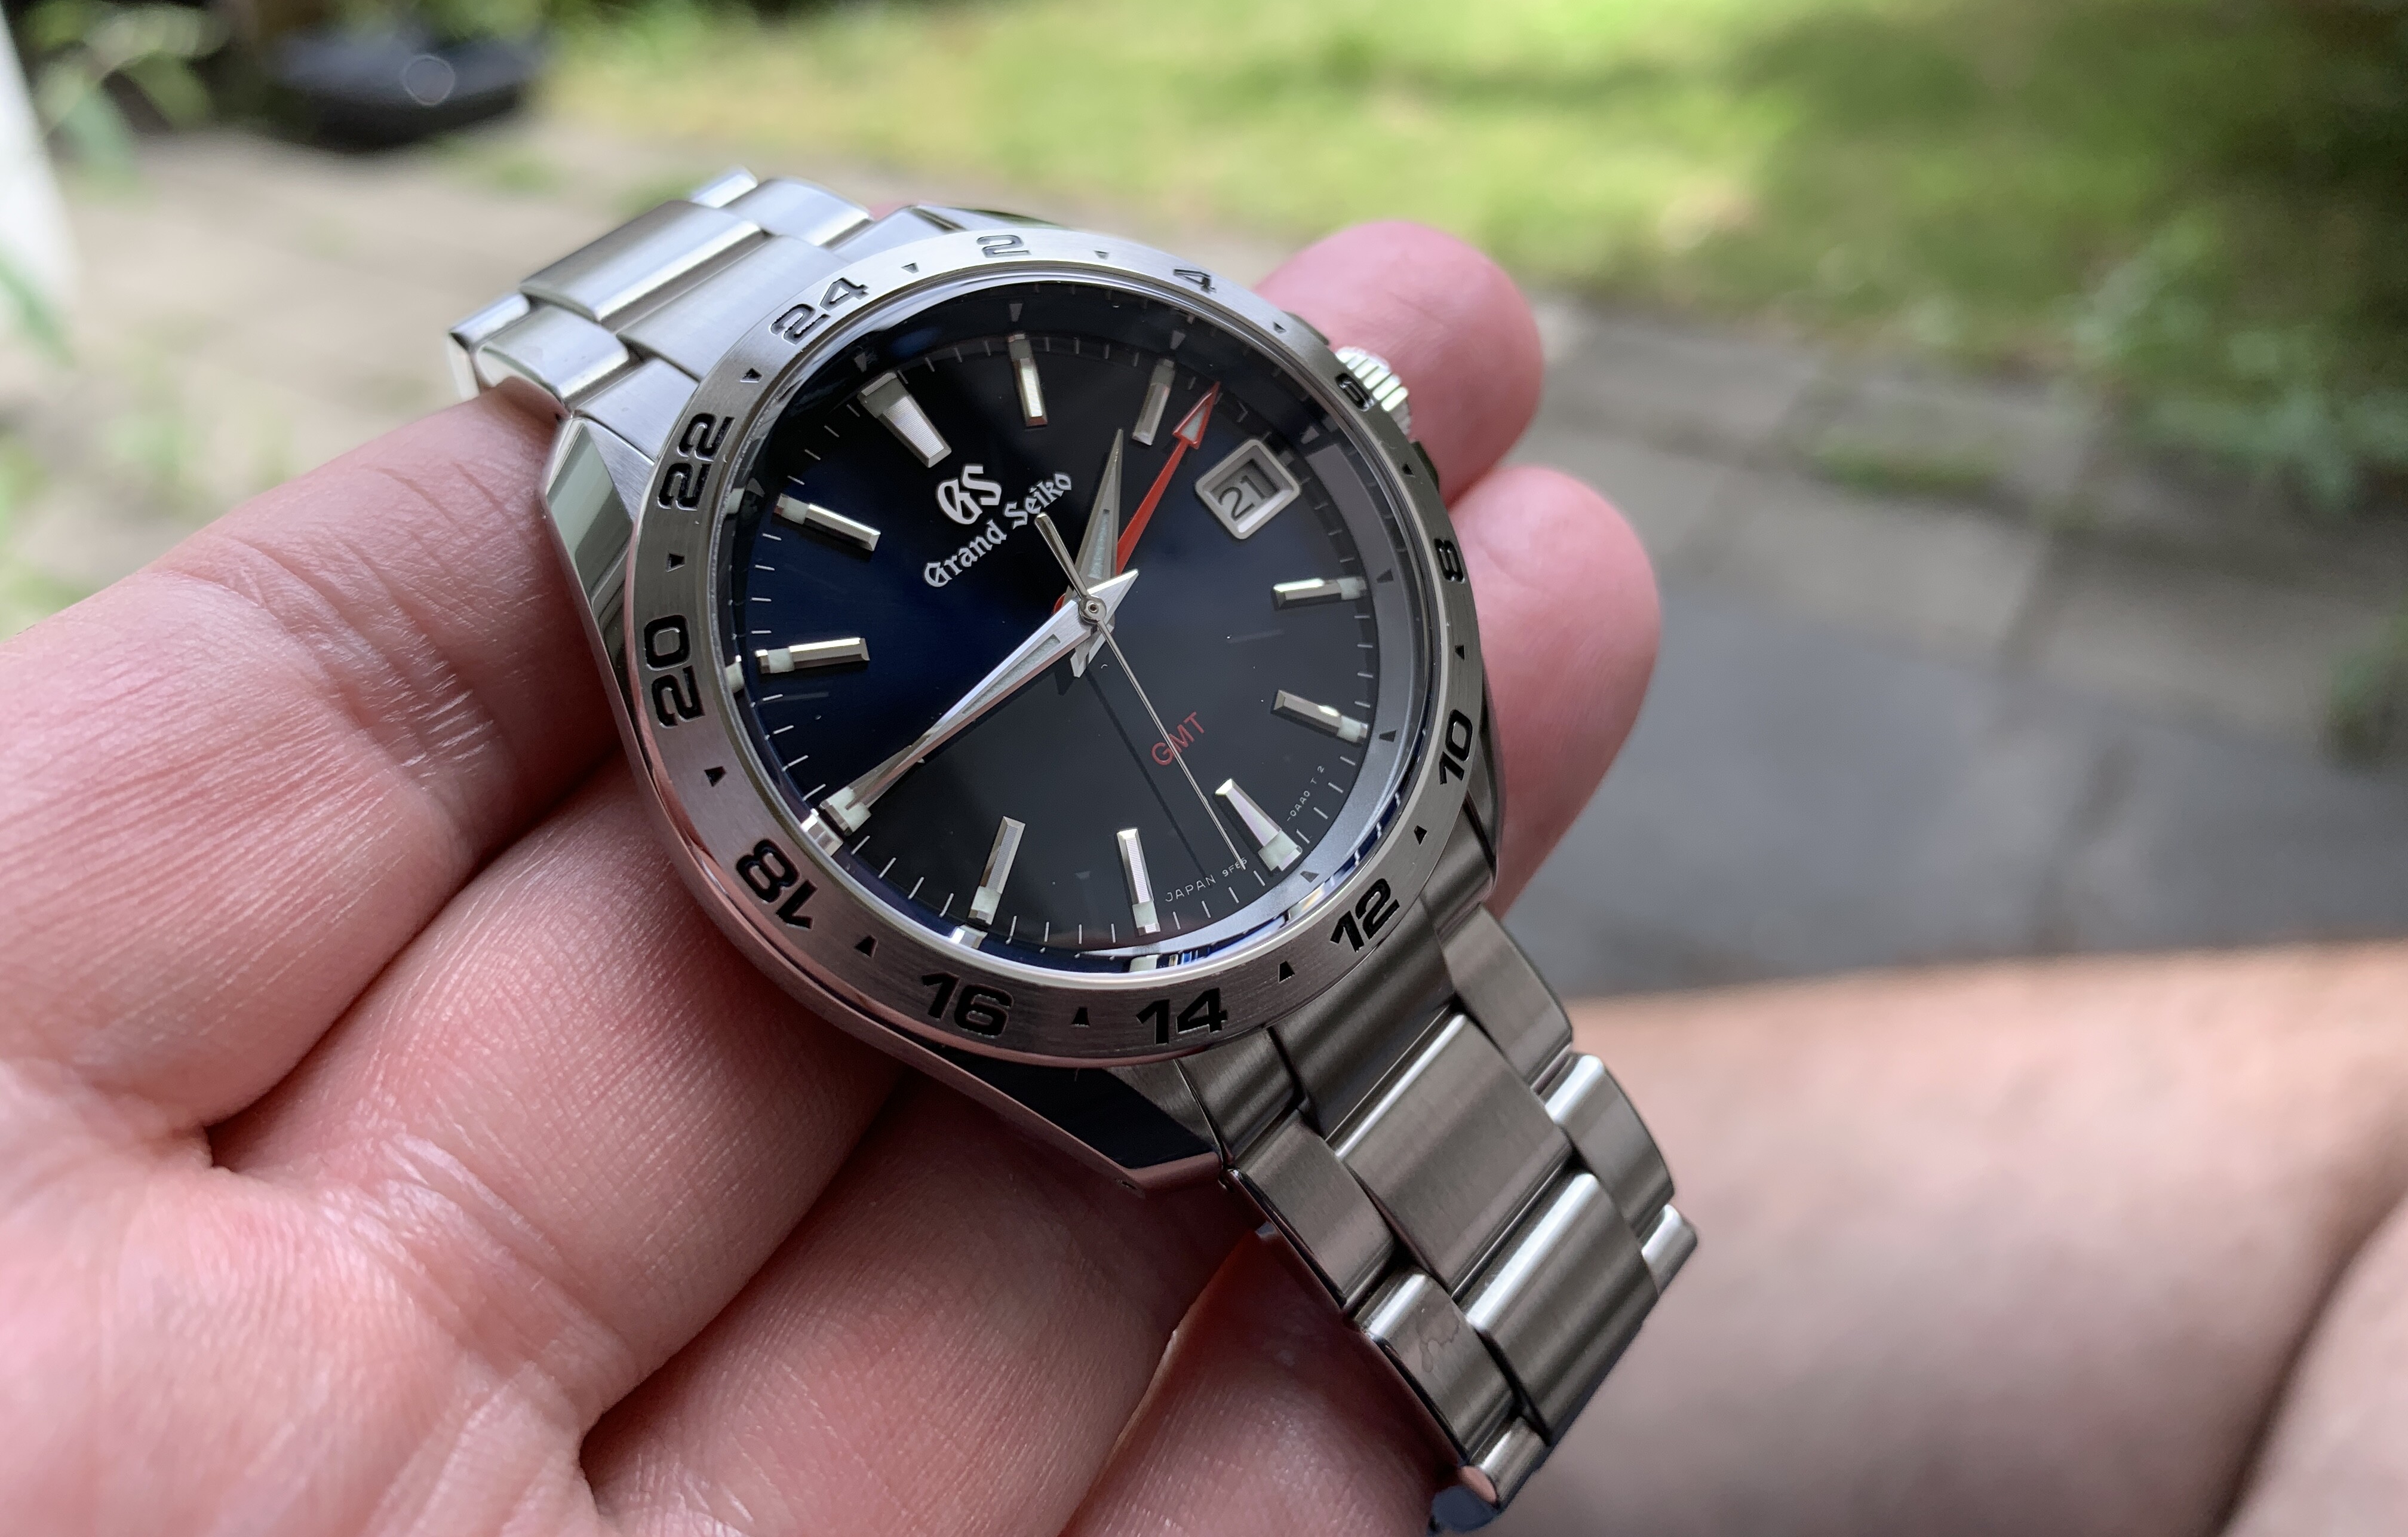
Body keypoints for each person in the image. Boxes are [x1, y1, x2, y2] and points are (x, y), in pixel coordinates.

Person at [1, 223, 2401, 1537]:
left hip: (1318, 862)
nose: (1070, 620)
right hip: (1110, 938)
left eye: (1091, 578)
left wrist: (1105, 568)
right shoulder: (732, 660)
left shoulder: (1101, 380)